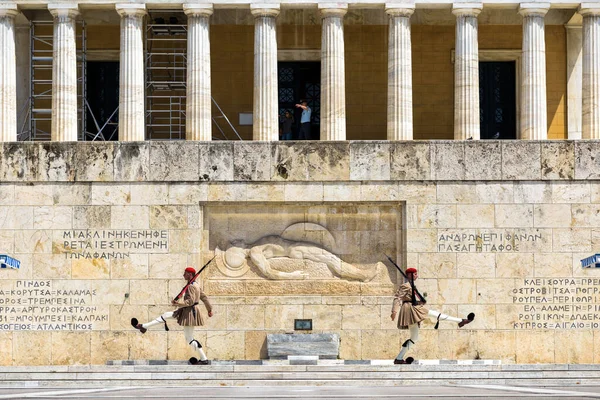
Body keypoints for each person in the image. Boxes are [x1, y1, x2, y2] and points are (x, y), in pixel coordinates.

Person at [390, 267, 475, 364]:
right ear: (410, 275)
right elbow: (397, 298)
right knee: (433, 313)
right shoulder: (405, 285)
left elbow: (412, 298)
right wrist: (394, 311)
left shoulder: (412, 286)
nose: (417, 275)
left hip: (414, 307)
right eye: (415, 274)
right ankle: (460, 321)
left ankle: (399, 358)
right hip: (410, 309)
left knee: (414, 338)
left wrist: (421, 301)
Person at [131, 266, 213, 365]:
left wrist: (177, 303)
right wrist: (209, 309)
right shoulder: (195, 284)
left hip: (189, 313)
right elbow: (204, 297)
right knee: (166, 315)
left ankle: (204, 359)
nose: (183, 275)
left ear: (190, 275)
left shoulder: (191, 286)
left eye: (185, 273)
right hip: (187, 311)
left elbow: (190, 302)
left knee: (190, 339)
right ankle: (143, 326)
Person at [219, 236, 380, 282]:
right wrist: (292, 276)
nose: (237, 240)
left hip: (297, 247)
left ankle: (360, 274)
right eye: (234, 244)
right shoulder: (255, 251)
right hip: (296, 250)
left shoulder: (256, 243)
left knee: (330, 258)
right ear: (238, 250)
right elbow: (269, 272)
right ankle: (363, 275)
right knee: (332, 260)